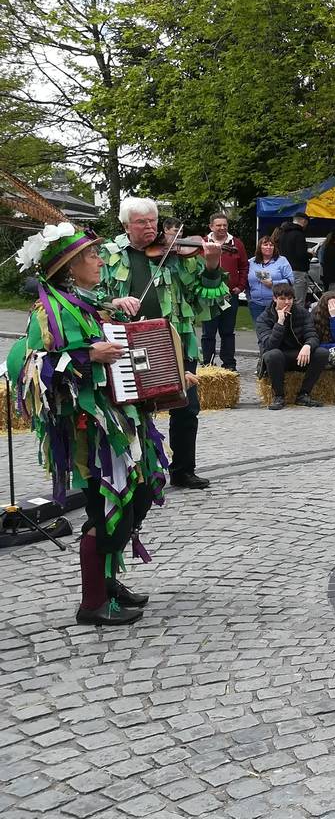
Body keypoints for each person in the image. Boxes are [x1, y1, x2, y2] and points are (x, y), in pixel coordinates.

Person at [8, 220, 170, 625]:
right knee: (105, 511)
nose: (100, 261)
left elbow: (111, 340)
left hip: (118, 422)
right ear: (69, 267)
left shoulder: (86, 303)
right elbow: (32, 364)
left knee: (139, 495)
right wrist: (88, 356)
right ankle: (92, 604)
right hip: (89, 431)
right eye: (92, 256)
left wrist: (166, 375)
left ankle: (108, 583)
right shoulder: (47, 312)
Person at [97, 197, 228, 491]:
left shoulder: (176, 255)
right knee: (132, 407)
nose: (150, 227)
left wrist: (211, 263)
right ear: (126, 225)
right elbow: (91, 296)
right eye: (141, 222)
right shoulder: (109, 254)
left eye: (153, 221)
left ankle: (183, 470)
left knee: (186, 407)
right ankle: (136, 472)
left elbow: (204, 295)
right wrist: (114, 301)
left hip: (176, 339)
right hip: (129, 343)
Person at [254, 282, 326, 410]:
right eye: (282, 299)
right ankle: (279, 396)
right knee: (273, 354)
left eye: (290, 298)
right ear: (274, 299)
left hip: (299, 355)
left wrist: (308, 346)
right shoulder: (264, 318)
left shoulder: (302, 313)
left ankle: (304, 394)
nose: (287, 302)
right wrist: (280, 322)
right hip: (277, 358)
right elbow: (269, 346)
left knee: (322, 353)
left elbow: (313, 335)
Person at [201, 212, 247, 370]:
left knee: (228, 332)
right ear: (211, 226)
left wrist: (240, 286)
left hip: (229, 295)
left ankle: (229, 365)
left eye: (225, 225)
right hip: (208, 295)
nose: (222, 228)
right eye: (218, 225)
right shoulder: (203, 243)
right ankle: (208, 364)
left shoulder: (236, 244)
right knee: (208, 332)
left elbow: (244, 267)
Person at [247, 235, 294, 337]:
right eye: (265, 244)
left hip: (276, 304)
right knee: (261, 333)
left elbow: (290, 280)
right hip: (256, 304)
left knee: (276, 332)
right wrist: (249, 297)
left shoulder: (282, 261)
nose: (268, 247)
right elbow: (245, 280)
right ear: (259, 247)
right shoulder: (251, 262)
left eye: (271, 245)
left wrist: (273, 284)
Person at [275, 212, 312, 307]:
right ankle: (296, 317)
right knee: (298, 301)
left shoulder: (282, 233)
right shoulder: (299, 234)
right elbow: (301, 254)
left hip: (284, 271)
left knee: (285, 300)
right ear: (303, 221)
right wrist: (309, 254)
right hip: (298, 271)